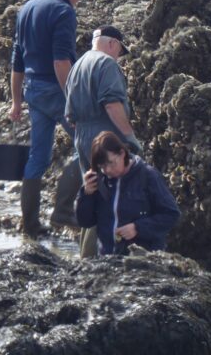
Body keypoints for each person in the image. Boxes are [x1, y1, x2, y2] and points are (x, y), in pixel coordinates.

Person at [9, 0, 88, 236]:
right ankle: (63, 210)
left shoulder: (26, 8)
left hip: (32, 90)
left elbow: (17, 59)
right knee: (87, 144)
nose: (78, 2)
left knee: (38, 156)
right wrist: (73, 100)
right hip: (55, 91)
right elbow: (61, 61)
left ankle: (30, 225)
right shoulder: (63, 11)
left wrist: (16, 101)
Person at [64, 24, 143, 256]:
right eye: (120, 51)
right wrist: (128, 137)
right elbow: (112, 104)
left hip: (82, 136)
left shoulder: (78, 65)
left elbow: (70, 116)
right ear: (112, 44)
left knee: (92, 194)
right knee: (107, 200)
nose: (119, 57)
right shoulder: (106, 64)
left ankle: (85, 256)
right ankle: (91, 261)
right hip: (105, 136)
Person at [75, 131, 181, 256]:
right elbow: (85, 222)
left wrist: (138, 228)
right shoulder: (100, 181)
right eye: (102, 166)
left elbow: (171, 215)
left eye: (111, 163)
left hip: (144, 259)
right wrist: (86, 195)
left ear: (122, 153)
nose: (107, 170)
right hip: (107, 258)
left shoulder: (148, 176)